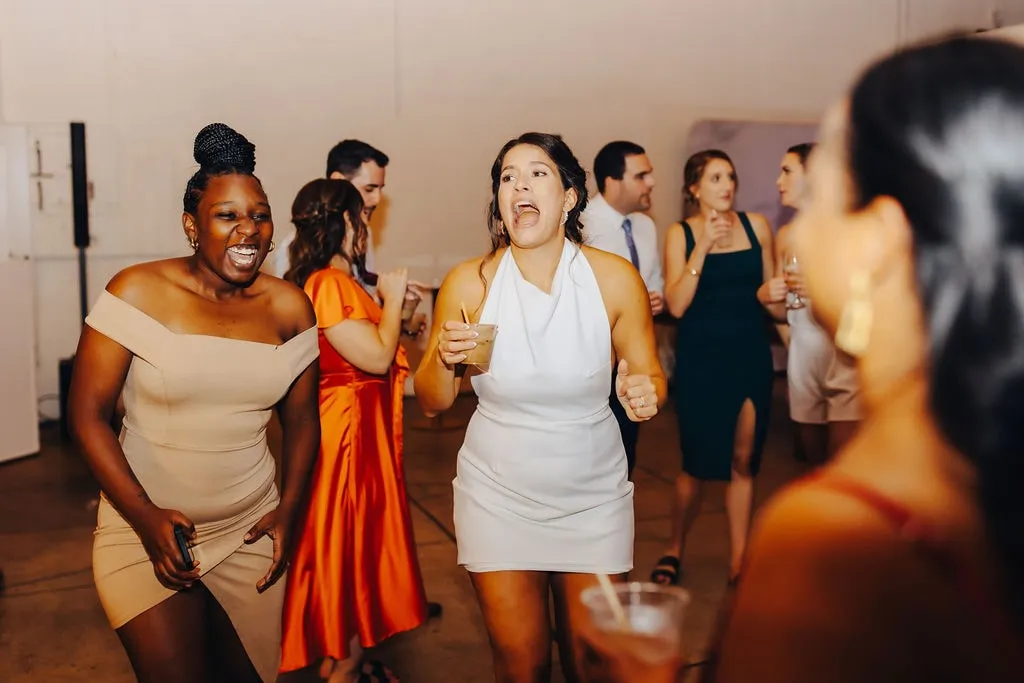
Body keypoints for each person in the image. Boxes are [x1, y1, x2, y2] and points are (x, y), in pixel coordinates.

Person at [582, 34, 1024, 683]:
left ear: (877, 240)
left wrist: (645, 675)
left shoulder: (831, 538)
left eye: (816, 196)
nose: (793, 216)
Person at [67, 123, 321, 683]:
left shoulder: (289, 307)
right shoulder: (136, 291)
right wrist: (145, 516)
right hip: (144, 531)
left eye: (259, 214)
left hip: (251, 532)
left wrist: (290, 511)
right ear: (192, 224)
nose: (247, 229)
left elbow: (303, 423)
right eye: (228, 215)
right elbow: (86, 417)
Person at [413, 132, 666, 683]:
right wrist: (444, 359)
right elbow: (432, 402)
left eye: (537, 173)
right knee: (522, 665)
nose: (519, 184)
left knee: (594, 665)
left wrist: (644, 393)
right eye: (507, 177)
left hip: (594, 497)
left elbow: (648, 374)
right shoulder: (472, 283)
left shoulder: (611, 279)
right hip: (497, 496)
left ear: (570, 197)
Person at [279, 178, 428, 683]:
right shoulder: (327, 283)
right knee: (344, 539)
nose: (365, 225)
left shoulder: (335, 283)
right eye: (360, 217)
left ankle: (340, 651)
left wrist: (398, 311)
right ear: (343, 222)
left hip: (358, 430)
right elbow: (376, 355)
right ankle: (342, 663)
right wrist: (388, 299)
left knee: (351, 545)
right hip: (346, 436)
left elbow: (377, 349)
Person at [652, 150, 776, 588]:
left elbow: (770, 298)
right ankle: (674, 546)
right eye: (716, 177)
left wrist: (781, 293)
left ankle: (739, 560)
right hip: (701, 360)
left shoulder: (757, 226)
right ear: (694, 188)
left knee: (744, 460)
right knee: (697, 465)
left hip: (750, 355)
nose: (727, 186)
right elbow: (678, 304)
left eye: (731, 177)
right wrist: (703, 246)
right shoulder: (680, 234)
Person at [760, 143, 862, 464]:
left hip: (841, 356)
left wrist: (822, 289)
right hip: (803, 355)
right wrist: (765, 297)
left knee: (843, 466)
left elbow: (868, 303)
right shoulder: (787, 235)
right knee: (813, 464)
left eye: (787, 171)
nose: (778, 181)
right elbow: (785, 312)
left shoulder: (850, 228)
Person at [583, 140, 664, 478]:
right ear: (612, 181)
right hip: (593, 362)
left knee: (624, 455)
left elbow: (653, 282)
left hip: (634, 358)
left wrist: (653, 299)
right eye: (641, 175)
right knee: (590, 458)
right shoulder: (581, 225)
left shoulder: (645, 226)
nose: (652, 182)